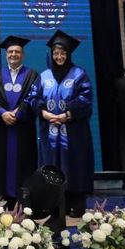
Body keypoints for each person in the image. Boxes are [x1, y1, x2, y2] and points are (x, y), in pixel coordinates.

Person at [27, 30, 93, 217]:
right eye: (56, 53)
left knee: (75, 166)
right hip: (50, 131)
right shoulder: (44, 76)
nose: (59, 57)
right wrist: (44, 112)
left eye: (63, 53)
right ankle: (56, 206)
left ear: (68, 54)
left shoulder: (79, 74)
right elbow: (33, 97)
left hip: (74, 132)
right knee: (52, 167)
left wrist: (67, 114)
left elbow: (86, 99)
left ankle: (77, 205)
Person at [0, 36, 39, 210]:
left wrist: (18, 113)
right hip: (5, 126)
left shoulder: (32, 74)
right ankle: (9, 199)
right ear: (6, 55)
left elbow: (33, 96)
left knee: (25, 161)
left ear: (23, 55)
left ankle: (24, 198)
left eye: (17, 51)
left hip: (23, 127)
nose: (13, 54)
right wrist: (2, 113)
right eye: (10, 51)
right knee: (6, 161)